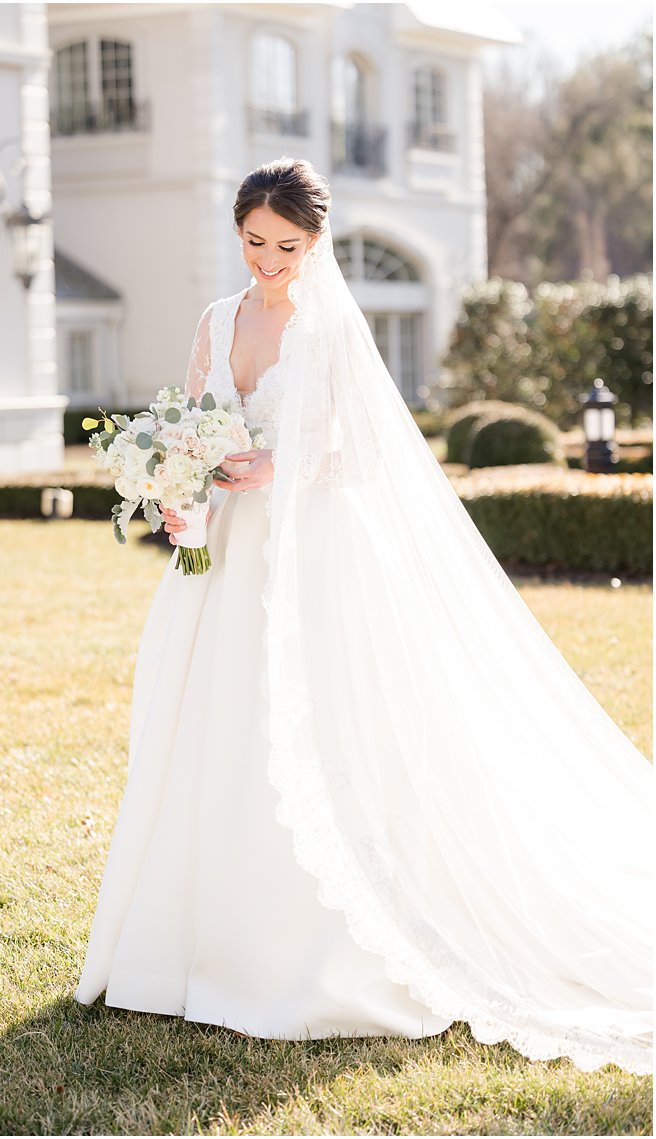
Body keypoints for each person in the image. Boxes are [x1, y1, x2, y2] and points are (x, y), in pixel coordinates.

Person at [75, 158, 652, 1075]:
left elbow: (359, 449)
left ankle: (309, 954)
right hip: (220, 555)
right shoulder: (216, 321)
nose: (270, 260)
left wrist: (278, 466)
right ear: (239, 233)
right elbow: (185, 419)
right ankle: (187, 940)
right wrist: (177, 487)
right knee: (209, 727)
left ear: (317, 241)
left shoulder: (329, 329)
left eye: (288, 246)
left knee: (311, 724)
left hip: (310, 548)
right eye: (256, 242)